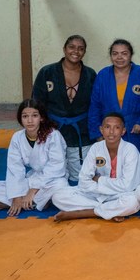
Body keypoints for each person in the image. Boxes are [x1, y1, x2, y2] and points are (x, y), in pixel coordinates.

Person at [0, 99, 68, 216]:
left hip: (52, 179)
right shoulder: (17, 137)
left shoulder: (53, 135)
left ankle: (16, 203)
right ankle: (33, 203)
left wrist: (33, 190)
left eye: (34, 115)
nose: (30, 120)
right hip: (32, 178)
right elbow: (14, 168)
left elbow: (57, 166)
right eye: (25, 116)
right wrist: (16, 196)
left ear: (41, 118)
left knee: (61, 187)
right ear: (20, 119)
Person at [52, 113, 140, 222]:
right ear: (101, 130)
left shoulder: (130, 150)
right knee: (58, 196)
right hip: (96, 193)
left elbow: (128, 185)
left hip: (120, 195)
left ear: (123, 131)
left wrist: (99, 180)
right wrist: (99, 188)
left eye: (117, 127)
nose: (111, 131)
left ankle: (83, 213)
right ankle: (110, 211)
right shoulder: (96, 148)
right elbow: (83, 180)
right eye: (107, 127)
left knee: (133, 202)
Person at [32, 34, 96, 182]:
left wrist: (95, 130)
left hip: (81, 132)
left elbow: (96, 105)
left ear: (84, 52)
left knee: (81, 178)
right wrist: (39, 129)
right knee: (50, 175)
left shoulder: (90, 74)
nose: (76, 51)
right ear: (64, 49)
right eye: (71, 47)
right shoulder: (47, 72)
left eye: (81, 48)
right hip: (53, 129)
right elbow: (37, 103)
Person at [88, 39, 140, 171]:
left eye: (124, 53)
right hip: (110, 132)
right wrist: (98, 133)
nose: (119, 57)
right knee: (112, 169)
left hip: (135, 130)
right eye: (115, 54)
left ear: (131, 55)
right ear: (111, 56)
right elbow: (95, 106)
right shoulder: (103, 75)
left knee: (137, 169)